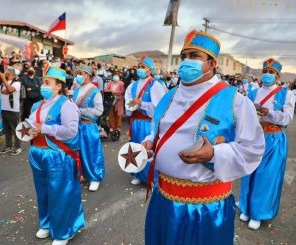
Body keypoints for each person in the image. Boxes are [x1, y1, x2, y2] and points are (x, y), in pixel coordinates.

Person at [142, 30, 265, 245]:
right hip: (162, 200)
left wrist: (214, 154)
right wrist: (150, 142)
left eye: (194, 56)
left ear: (212, 64)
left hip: (204, 208)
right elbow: (159, 131)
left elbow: (252, 149)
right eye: (184, 56)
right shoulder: (169, 96)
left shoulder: (235, 100)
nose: (186, 62)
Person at [27, 66, 84, 245]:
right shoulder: (37, 105)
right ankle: (46, 223)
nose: (42, 85)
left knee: (59, 193)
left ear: (59, 86)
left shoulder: (67, 105)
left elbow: (70, 131)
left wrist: (45, 129)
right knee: (42, 192)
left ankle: (63, 231)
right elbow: (31, 125)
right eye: (43, 82)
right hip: (37, 153)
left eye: (47, 83)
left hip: (57, 155)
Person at [238, 58, 295, 230]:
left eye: (272, 72)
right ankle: (246, 207)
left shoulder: (287, 94)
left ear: (278, 75)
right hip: (255, 137)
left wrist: (268, 113)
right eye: (266, 71)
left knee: (266, 176)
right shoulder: (253, 92)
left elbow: (287, 119)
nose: (268, 75)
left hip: (274, 138)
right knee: (250, 172)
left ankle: (259, 212)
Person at [124, 56, 166, 185]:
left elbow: (158, 109)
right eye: (139, 66)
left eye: (143, 67)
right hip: (136, 121)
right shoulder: (132, 85)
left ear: (150, 70)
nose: (140, 69)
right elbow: (128, 103)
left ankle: (150, 177)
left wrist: (141, 103)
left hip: (149, 123)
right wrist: (131, 106)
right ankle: (138, 174)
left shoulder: (156, 86)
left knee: (148, 149)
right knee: (136, 147)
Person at [73, 65, 105, 192]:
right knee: (79, 152)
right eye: (78, 73)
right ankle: (84, 174)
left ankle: (95, 177)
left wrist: (81, 111)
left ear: (87, 75)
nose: (78, 76)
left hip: (89, 126)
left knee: (91, 151)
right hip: (77, 126)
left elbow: (99, 111)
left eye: (80, 73)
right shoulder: (76, 90)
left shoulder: (95, 91)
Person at [0, 66, 22, 155]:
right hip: (3, 108)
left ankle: (18, 147)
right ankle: (8, 146)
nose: (5, 72)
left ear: (11, 73)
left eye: (6, 71)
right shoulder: (4, 83)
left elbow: (10, 89)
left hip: (13, 109)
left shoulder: (17, 83)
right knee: (7, 129)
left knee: (15, 129)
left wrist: (3, 79)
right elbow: (0, 91)